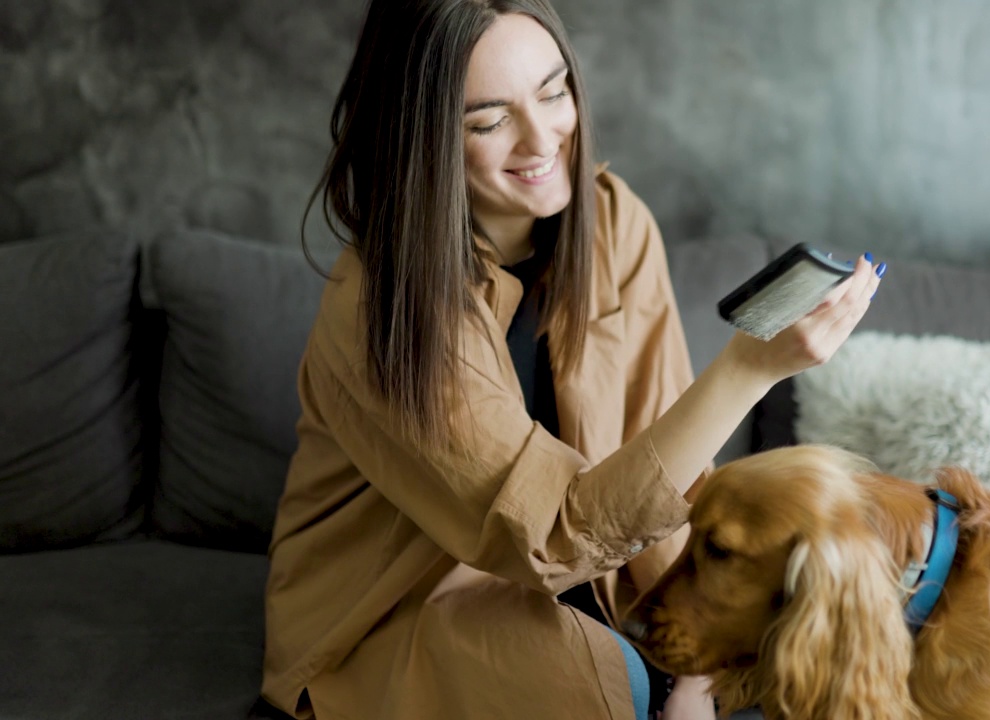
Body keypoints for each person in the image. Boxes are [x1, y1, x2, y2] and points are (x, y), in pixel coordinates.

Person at [261, 0, 885, 718]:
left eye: (554, 91)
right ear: (420, 138)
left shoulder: (616, 223)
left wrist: (697, 674)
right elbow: (546, 532)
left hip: (593, 582)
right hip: (400, 608)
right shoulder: (381, 302)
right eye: (490, 121)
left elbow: (671, 462)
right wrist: (748, 369)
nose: (543, 138)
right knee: (596, 686)